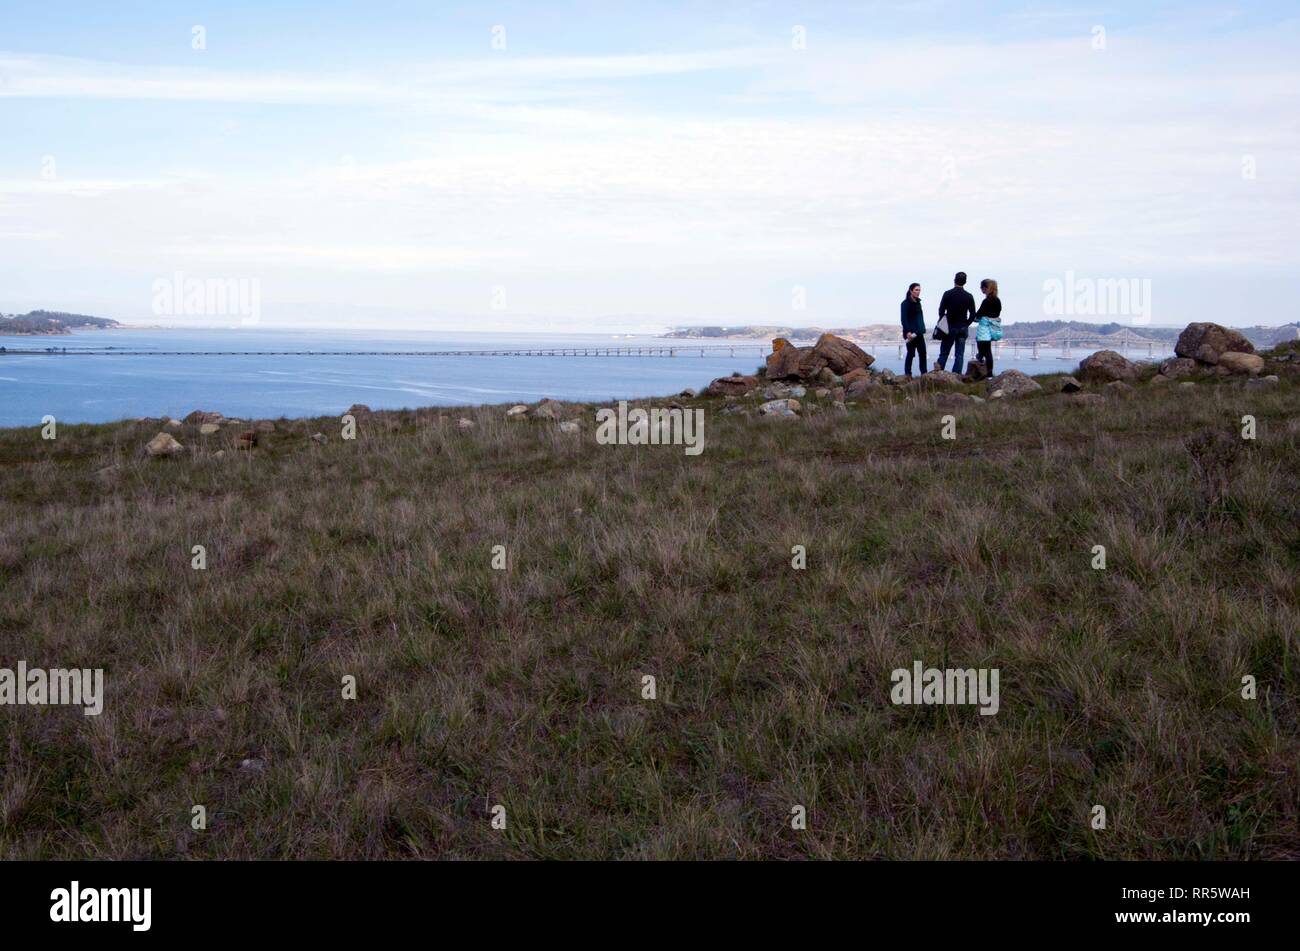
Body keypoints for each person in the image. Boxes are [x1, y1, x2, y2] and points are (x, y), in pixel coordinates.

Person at [936, 272, 977, 374]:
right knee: (959, 354)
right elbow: (972, 315)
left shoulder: (947, 294)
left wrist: (943, 320)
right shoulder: (969, 296)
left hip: (949, 327)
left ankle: (939, 373)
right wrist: (966, 323)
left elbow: (941, 311)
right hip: (962, 327)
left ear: (954, 280)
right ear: (965, 282)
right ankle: (956, 375)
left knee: (944, 353)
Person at [973, 278, 1002, 375]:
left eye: (982, 287)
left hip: (984, 328)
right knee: (988, 351)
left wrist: (974, 318)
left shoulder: (986, 301)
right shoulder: (998, 300)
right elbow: (997, 313)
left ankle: (985, 372)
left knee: (984, 350)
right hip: (994, 328)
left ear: (985, 288)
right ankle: (989, 373)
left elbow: (978, 314)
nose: (981, 289)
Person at [900, 282, 927, 376]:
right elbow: (904, 319)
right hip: (910, 333)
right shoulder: (905, 303)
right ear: (911, 290)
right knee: (911, 353)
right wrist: (907, 331)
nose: (918, 292)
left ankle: (924, 374)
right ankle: (908, 374)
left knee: (923, 353)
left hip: (919, 332)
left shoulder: (918, 303)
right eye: (916, 290)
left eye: (919, 290)